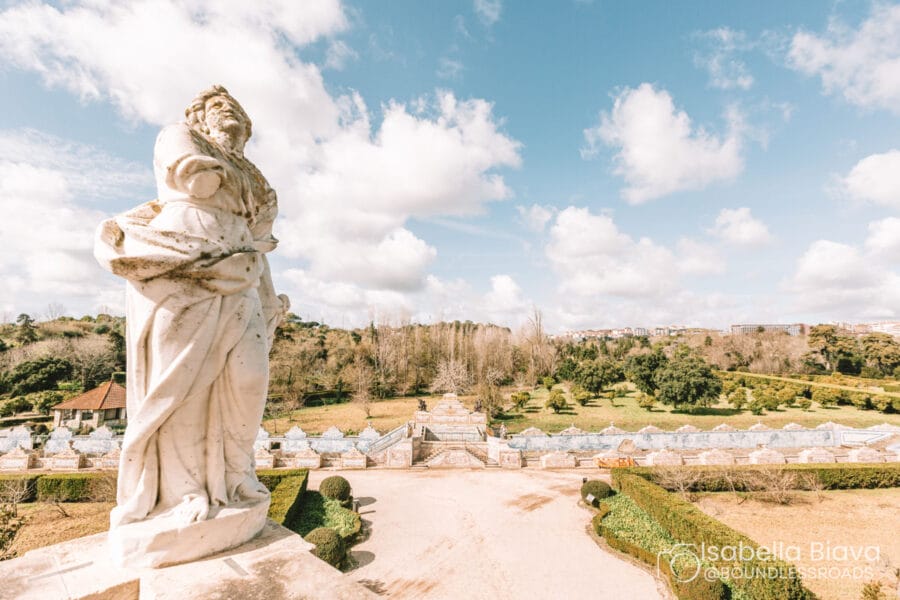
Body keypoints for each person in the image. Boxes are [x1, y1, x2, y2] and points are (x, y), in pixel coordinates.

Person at [95, 85, 288, 529]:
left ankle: (237, 477)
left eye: (236, 107)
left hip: (242, 270)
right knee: (183, 385)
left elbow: (258, 245)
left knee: (250, 379)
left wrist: (268, 297)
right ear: (200, 117)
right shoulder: (179, 136)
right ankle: (184, 492)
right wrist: (229, 174)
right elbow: (198, 182)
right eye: (219, 106)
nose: (230, 112)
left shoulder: (254, 176)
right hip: (183, 266)